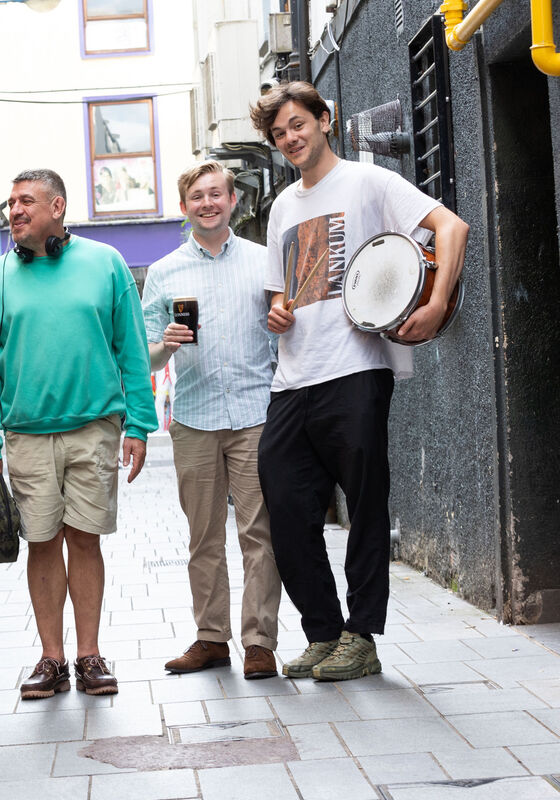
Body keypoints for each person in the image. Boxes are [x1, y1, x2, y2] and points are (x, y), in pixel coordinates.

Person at [249, 82, 468, 681]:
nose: (290, 138)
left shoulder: (369, 183)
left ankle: (362, 635)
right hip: (292, 378)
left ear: (325, 120)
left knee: (366, 508)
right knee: (288, 508)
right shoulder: (282, 206)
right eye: (279, 134)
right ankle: (322, 631)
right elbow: (280, 289)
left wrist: (437, 302)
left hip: (357, 369)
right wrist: (277, 310)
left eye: (298, 125)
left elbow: (451, 229)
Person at [0, 169, 157, 699]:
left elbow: (132, 352)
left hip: (95, 430)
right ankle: (51, 659)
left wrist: (139, 423)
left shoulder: (106, 264)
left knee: (85, 540)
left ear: (58, 206)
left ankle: (89, 655)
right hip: (25, 436)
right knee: (42, 543)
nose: (15, 210)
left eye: (26, 201)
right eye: (10, 203)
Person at [141, 161, 282, 680]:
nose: (207, 203)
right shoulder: (164, 272)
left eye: (216, 194)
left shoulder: (265, 262)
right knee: (203, 536)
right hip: (195, 418)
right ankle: (211, 638)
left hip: (256, 414)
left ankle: (260, 642)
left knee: (259, 533)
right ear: (185, 207)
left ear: (233, 201)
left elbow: (282, 335)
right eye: (197, 196)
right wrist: (164, 346)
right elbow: (144, 358)